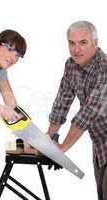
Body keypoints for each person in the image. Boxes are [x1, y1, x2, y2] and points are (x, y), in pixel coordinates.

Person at [47, 21, 107, 200]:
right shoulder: (71, 65)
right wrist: (48, 139)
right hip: (100, 146)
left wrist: (62, 148)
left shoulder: (104, 67)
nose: (76, 49)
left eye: (83, 42)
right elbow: (62, 102)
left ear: (95, 43)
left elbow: (88, 113)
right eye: (72, 43)